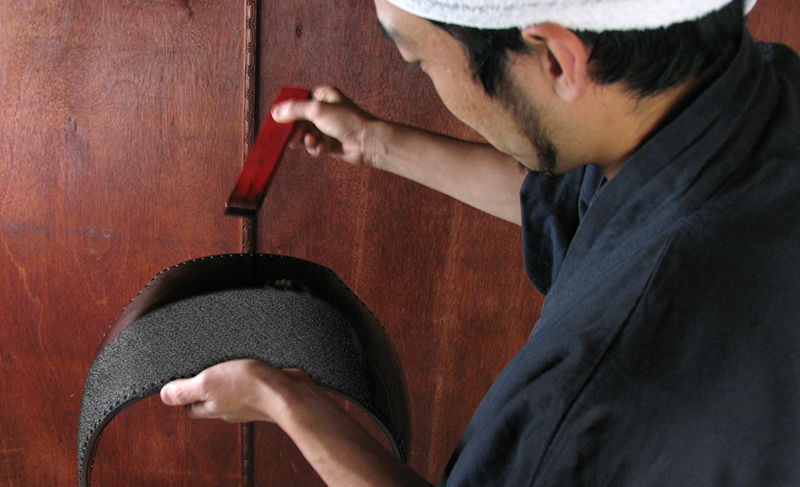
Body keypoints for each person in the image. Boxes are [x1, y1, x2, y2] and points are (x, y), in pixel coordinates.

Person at [160, 0, 800, 484]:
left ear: (556, 57)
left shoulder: (586, 403)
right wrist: (373, 142)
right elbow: (585, 204)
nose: (428, 78)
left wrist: (285, 398)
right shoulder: (757, 94)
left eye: (419, 59)